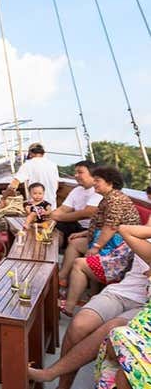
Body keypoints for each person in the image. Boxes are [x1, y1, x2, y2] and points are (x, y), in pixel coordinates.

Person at [28, 217, 150, 388]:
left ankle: (50, 373)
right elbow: (123, 230)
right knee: (80, 324)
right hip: (124, 291)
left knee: (112, 327)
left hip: (145, 307)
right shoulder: (143, 234)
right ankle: (63, 385)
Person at [61, 166, 140, 316]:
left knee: (79, 264)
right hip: (109, 242)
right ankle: (64, 279)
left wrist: (96, 247)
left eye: (97, 181)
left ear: (109, 183)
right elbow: (102, 224)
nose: (94, 183)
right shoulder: (108, 197)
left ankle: (69, 307)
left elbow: (111, 227)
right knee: (75, 243)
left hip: (119, 251)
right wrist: (84, 233)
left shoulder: (115, 200)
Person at [92, 223, 151, 389]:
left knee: (123, 374)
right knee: (113, 347)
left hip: (143, 331)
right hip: (144, 325)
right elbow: (125, 230)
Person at [50, 160, 102, 245]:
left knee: (74, 243)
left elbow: (87, 213)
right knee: (54, 226)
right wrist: (51, 216)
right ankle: (53, 249)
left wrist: (58, 217)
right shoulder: (77, 190)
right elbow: (63, 209)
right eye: (76, 172)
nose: (76, 175)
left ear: (93, 174)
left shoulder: (99, 191)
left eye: (80, 172)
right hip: (79, 226)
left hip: (92, 231)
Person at [8, 142, 60, 208]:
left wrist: (4, 198)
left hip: (36, 209)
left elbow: (13, 186)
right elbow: (56, 186)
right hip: (52, 207)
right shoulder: (53, 165)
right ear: (43, 153)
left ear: (30, 153)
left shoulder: (28, 165)